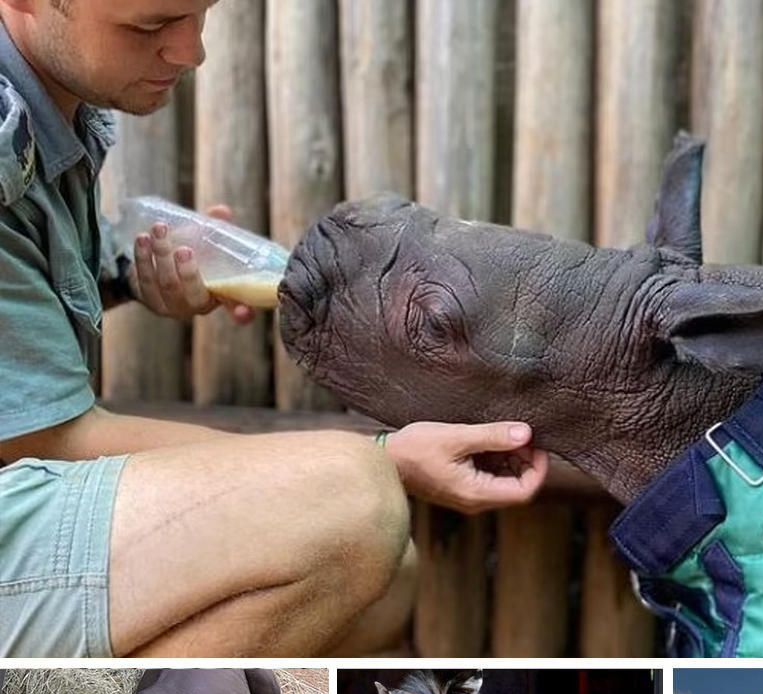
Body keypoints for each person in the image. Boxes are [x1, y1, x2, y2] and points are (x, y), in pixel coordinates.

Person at [0, 0, 548, 657]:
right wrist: (382, 459)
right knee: (349, 506)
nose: (191, 52)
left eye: (199, 14)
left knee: (387, 579)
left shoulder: (60, 104)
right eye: (149, 27)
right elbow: (50, 437)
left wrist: (124, 279)